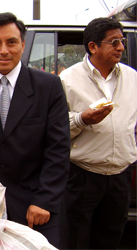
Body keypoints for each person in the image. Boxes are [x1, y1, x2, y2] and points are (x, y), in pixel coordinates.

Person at [0, 12, 70, 247]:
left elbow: (58, 149)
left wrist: (45, 200)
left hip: (35, 207)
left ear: (22, 44)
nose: (4, 51)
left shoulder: (48, 86)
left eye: (11, 42)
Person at [59, 17, 137, 249]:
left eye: (122, 41)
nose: (121, 47)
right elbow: (56, 128)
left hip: (121, 175)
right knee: (75, 239)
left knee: (110, 237)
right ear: (93, 46)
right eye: (114, 42)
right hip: (82, 175)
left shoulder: (132, 77)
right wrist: (82, 119)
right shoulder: (68, 80)